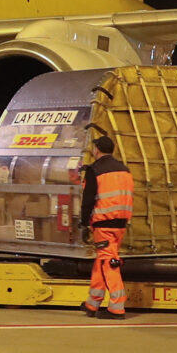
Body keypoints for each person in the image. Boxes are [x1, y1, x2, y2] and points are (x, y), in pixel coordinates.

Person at [79, 133, 134, 319]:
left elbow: (88, 199)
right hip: (121, 224)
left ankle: (117, 307)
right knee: (102, 261)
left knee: (108, 263)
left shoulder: (95, 170)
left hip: (103, 223)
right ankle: (92, 303)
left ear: (97, 150)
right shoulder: (124, 170)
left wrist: (84, 223)